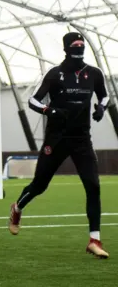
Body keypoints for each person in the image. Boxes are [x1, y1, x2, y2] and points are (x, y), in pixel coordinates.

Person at [9, 32, 109, 258]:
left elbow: (104, 96)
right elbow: (33, 100)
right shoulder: (55, 74)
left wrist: (101, 108)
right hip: (57, 138)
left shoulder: (94, 73)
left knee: (93, 186)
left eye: (82, 44)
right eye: (75, 44)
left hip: (82, 138)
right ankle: (17, 208)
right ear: (66, 48)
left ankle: (95, 240)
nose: (79, 47)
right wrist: (49, 110)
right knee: (40, 185)